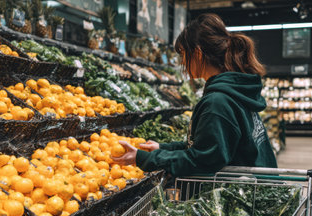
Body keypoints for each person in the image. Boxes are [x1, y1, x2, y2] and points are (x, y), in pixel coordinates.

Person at [113, 13, 277, 176]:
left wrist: (144, 158)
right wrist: (163, 149)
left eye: (183, 54)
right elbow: (206, 147)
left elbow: (203, 160)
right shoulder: (234, 90)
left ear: (197, 54)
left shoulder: (218, 102)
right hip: (253, 186)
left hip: (244, 193)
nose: (182, 62)